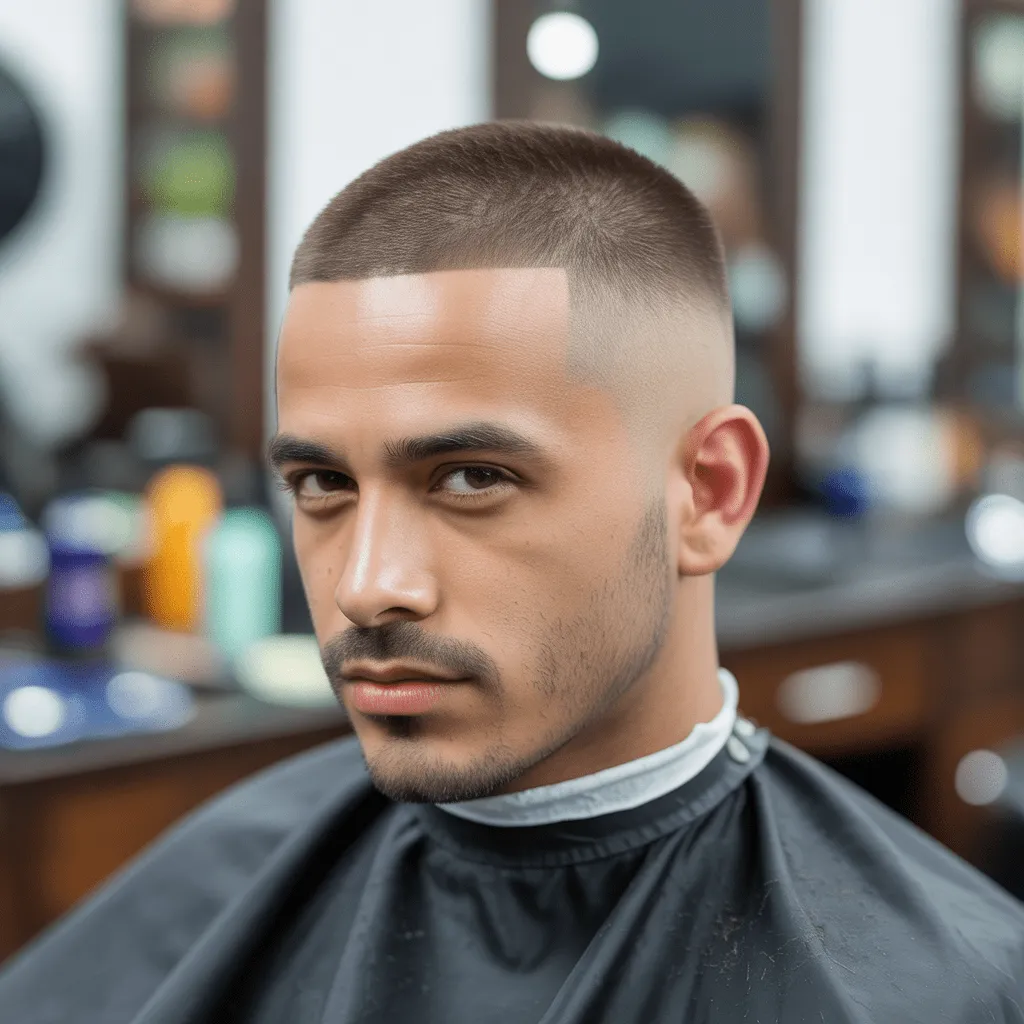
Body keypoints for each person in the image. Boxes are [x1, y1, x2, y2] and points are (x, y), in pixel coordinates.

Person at [2, 121, 1023, 1024]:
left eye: (471, 477)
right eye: (322, 483)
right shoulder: (216, 879)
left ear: (709, 492)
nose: (366, 585)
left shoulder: (947, 993)